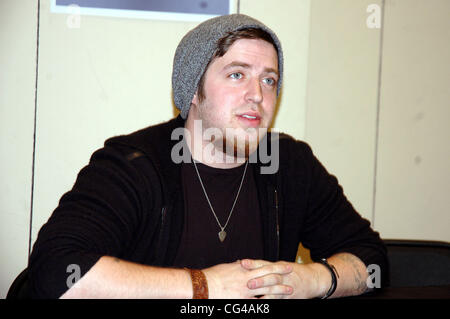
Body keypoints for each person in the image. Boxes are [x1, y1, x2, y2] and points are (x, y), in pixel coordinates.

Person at [29, 14, 388, 299]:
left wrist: (311, 280)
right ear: (193, 91)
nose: (257, 95)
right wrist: (205, 287)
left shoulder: (289, 163)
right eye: (236, 75)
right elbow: (56, 272)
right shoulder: (133, 164)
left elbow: (373, 263)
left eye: (269, 80)